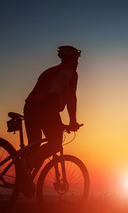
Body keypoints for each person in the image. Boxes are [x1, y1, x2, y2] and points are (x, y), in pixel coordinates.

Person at [23, 45, 82, 173]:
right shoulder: (71, 73)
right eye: (76, 59)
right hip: (46, 107)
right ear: (71, 59)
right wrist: (72, 121)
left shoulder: (49, 71)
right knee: (55, 144)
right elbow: (70, 97)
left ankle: (23, 177)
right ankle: (28, 162)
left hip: (30, 106)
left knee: (34, 143)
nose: (77, 62)